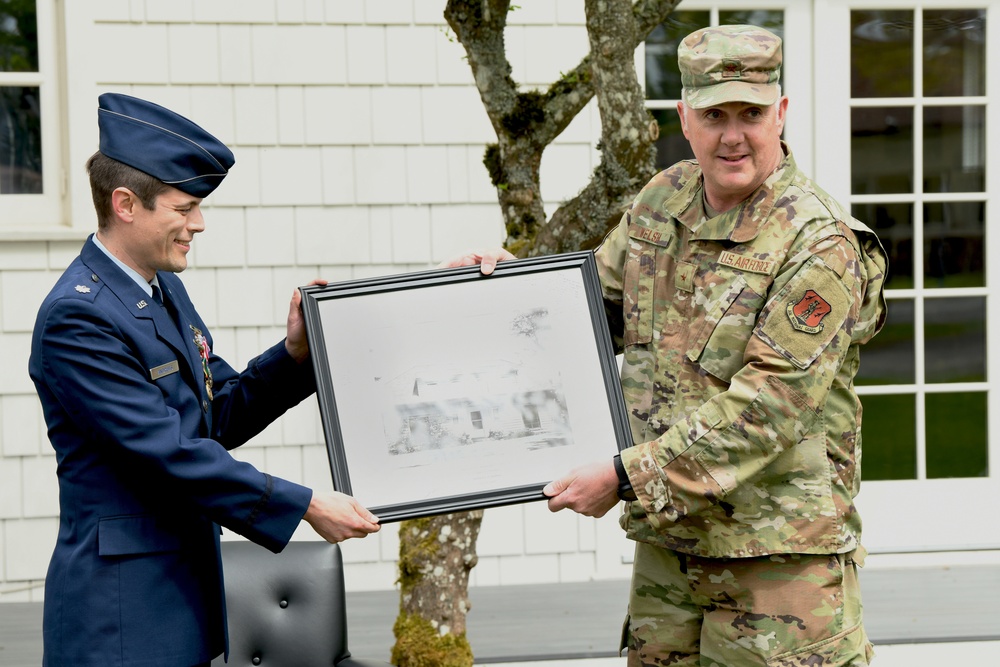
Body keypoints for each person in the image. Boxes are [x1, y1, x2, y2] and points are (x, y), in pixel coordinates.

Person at [453, 24, 887, 667]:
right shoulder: (663, 200)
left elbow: (767, 407)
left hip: (776, 570)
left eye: (751, 113)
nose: (733, 134)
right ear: (684, 117)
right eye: (714, 114)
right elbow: (587, 317)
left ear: (782, 113)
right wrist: (508, 290)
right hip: (671, 553)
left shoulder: (819, 243)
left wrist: (626, 476)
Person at [28, 93, 380, 667]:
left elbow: (216, 417)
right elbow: (166, 451)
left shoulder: (159, 289)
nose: (198, 223)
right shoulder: (81, 316)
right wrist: (305, 504)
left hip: (180, 601)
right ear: (126, 204)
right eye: (184, 207)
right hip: (119, 618)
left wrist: (294, 354)